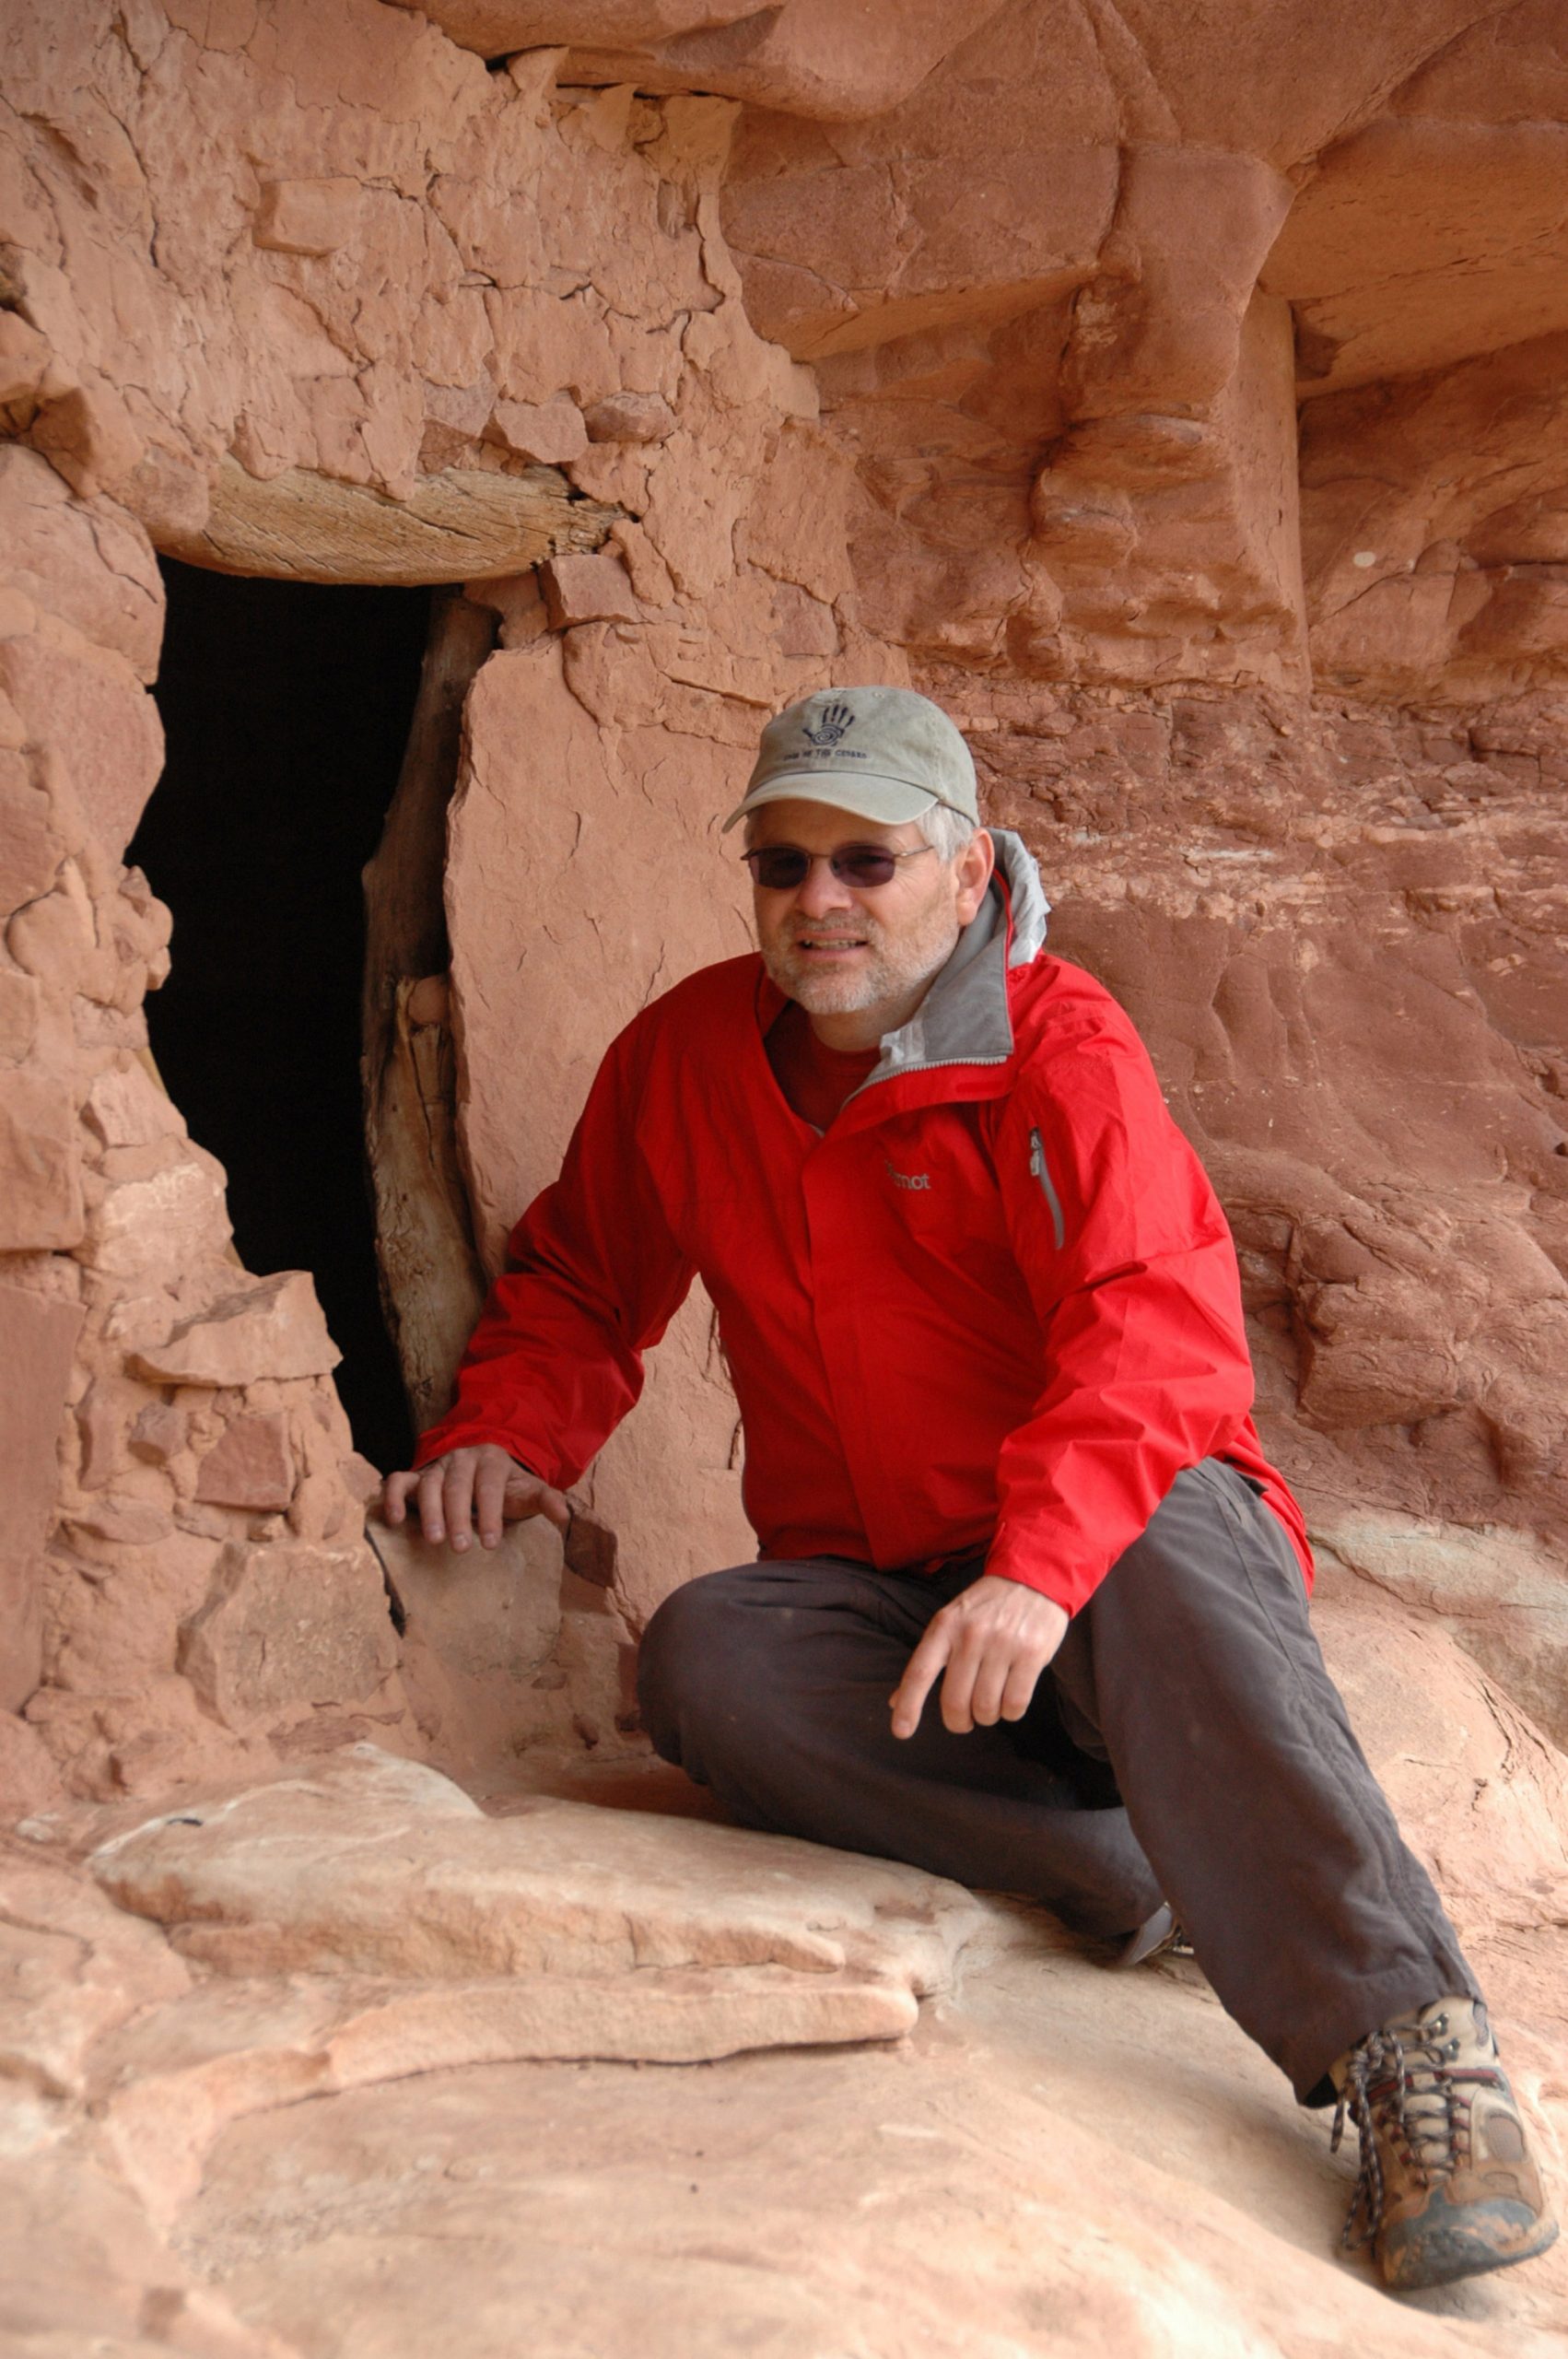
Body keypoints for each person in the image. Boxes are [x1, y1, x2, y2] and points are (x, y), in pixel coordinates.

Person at [383, 685, 1555, 2293]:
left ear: (961, 865)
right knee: (709, 1660)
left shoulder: (1055, 1044)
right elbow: (587, 1277)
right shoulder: (686, 1057)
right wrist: (511, 1433)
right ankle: (1135, 1874)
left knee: (1155, 1520)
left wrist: (1036, 1564)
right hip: (890, 1601)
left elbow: (1151, 1334)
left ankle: (1409, 2052)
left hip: (1117, 1569)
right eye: (783, 866)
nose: (820, 904)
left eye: (865, 861)